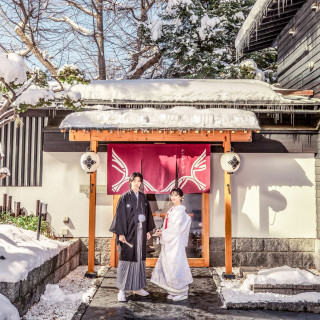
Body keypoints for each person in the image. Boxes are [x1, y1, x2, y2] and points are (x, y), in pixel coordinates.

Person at [109, 172, 155, 302]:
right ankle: (122, 290)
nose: (136, 183)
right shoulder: (124, 197)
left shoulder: (143, 198)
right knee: (126, 260)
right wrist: (121, 233)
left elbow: (147, 214)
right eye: (134, 180)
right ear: (130, 182)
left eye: (139, 181)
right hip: (128, 234)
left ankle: (137, 287)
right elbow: (119, 216)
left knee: (139, 260)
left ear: (141, 183)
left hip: (140, 234)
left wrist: (147, 230)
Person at [151, 188, 193, 301]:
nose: (173, 197)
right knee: (169, 266)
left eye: (176, 195)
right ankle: (173, 291)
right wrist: (162, 232)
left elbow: (176, 229)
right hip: (170, 242)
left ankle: (182, 292)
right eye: (172, 195)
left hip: (175, 243)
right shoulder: (173, 210)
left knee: (176, 266)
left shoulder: (179, 211)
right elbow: (169, 226)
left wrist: (163, 233)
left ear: (181, 197)